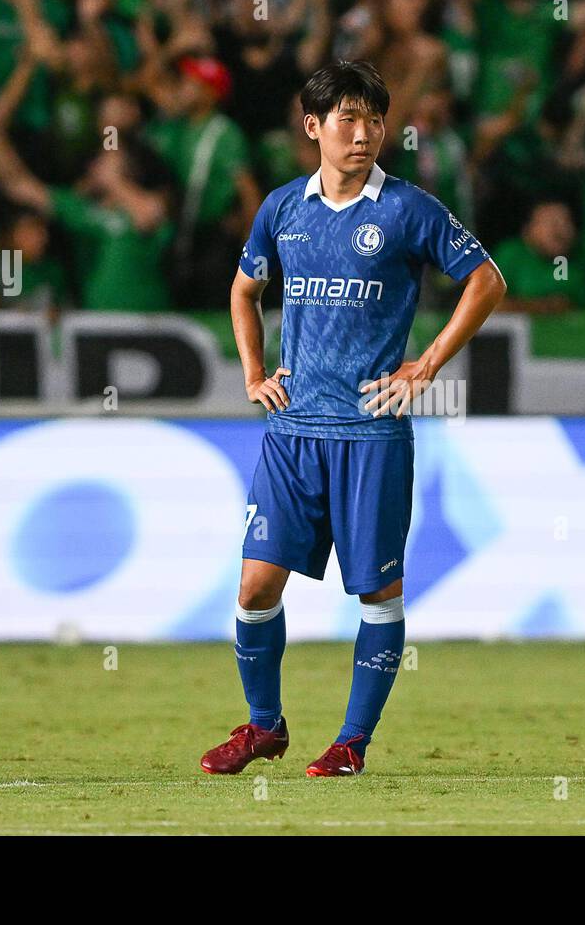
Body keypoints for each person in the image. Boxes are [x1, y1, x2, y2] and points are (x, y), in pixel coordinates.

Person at [200, 60, 506, 777]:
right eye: (348, 119)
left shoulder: (407, 209)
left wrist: (425, 365)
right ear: (313, 127)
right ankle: (263, 725)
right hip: (293, 431)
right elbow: (244, 292)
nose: (365, 133)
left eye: (374, 119)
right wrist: (252, 372)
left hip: (371, 432)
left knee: (377, 591)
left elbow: (486, 280)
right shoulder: (282, 208)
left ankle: (351, 743)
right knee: (253, 587)